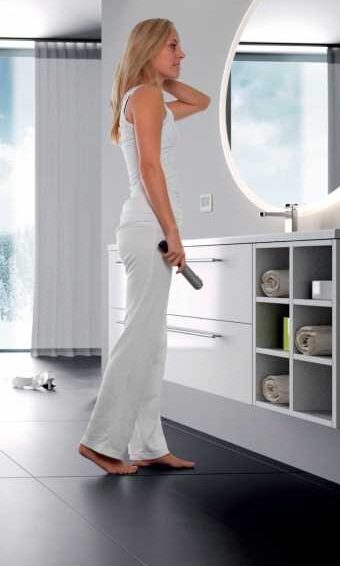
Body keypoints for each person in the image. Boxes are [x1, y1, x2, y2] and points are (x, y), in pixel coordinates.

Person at [78, 18, 210, 474]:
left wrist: (163, 72)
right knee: (140, 338)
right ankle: (101, 441)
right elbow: (151, 168)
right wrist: (172, 231)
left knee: (152, 342)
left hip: (143, 225)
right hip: (149, 226)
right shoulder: (147, 97)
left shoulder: (149, 96)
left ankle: (149, 444)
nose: (182, 53)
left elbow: (202, 100)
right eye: (173, 45)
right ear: (149, 47)